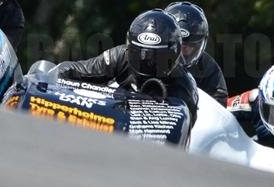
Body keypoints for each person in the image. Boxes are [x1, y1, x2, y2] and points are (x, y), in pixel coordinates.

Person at [55, 9, 199, 127]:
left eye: (156, 58)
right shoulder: (120, 56)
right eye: (139, 54)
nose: (146, 61)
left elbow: (181, 134)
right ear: (129, 48)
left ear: (174, 54)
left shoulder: (183, 87)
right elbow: (76, 70)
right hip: (109, 120)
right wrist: (51, 76)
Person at [164, 1, 228, 105]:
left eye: (192, 46)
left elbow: (219, 103)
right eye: (179, 46)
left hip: (196, 119)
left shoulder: (208, 66)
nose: (185, 50)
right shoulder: (149, 59)